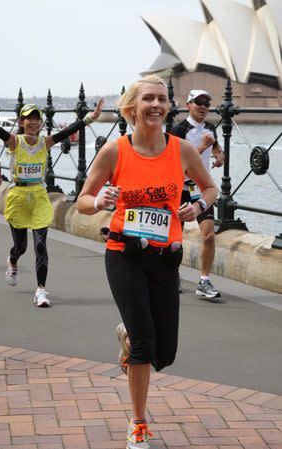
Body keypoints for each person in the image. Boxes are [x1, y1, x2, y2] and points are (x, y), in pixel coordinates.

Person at [76, 75, 217, 449]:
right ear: (131, 108)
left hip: (165, 259)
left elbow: (210, 187)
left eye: (162, 99)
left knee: (163, 354)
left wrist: (199, 206)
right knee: (144, 344)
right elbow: (82, 201)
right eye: (148, 99)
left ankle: (126, 339)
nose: (156, 105)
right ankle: (138, 424)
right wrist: (101, 201)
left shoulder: (182, 150)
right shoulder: (115, 152)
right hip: (124, 255)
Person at [0, 96, 103, 307]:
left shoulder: (44, 143)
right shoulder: (14, 142)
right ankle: (13, 261)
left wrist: (90, 118)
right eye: (29, 118)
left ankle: (41, 290)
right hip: (18, 198)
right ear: (21, 122)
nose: (34, 122)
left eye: (37, 119)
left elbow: (67, 131)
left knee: (40, 245)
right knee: (21, 246)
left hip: (39, 197)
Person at [171, 89, 224, 301]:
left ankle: (204, 281)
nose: (203, 106)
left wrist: (219, 156)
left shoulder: (211, 128)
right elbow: (176, 164)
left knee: (209, 234)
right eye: (198, 102)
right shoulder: (178, 130)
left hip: (201, 189)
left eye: (207, 103)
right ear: (188, 104)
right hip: (179, 189)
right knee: (174, 238)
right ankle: (172, 274)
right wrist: (202, 146)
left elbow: (216, 149)